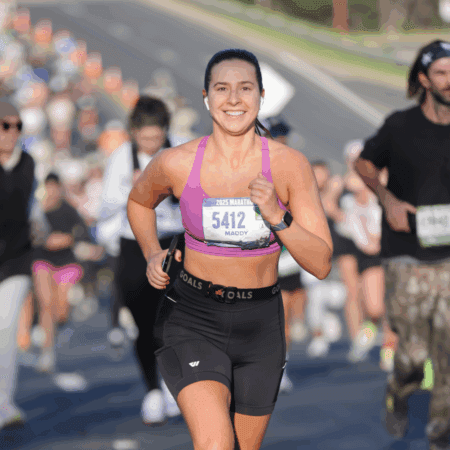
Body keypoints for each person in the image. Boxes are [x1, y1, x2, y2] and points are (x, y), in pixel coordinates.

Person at [127, 49, 332, 450]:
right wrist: (152, 251)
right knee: (216, 444)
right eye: (222, 89)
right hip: (193, 317)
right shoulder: (177, 163)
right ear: (206, 97)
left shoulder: (290, 166)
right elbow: (138, 202)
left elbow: (321, 262)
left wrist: (277, 215)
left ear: (261, 96)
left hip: (261, 325)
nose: (234, 99)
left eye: (245, 89)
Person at [355, 40, 450, 450]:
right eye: (443, 72)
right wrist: (387, 198)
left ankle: (440, 431)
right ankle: (399, 388)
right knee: (412, 353)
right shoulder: (400, 126)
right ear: (425, 80)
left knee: (448, 350)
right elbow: (364, 162)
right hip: (407, 253)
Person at [98, 96, 183, 425]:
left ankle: (173, 385)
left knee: (176, 316)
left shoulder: (180, 154)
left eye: (156, 136)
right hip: (134, 243)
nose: (150, 143)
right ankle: (151, 388)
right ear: (133, 133)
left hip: (173, 240)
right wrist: (136, 190)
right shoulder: (121, 158)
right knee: (144, 319)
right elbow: (106, 205)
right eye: (144, 137)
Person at [31, 172, 95, 373]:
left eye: (54, 187)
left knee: (60, 309)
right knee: (46, 304)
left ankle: (59, 327)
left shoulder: (69, 210)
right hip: (42, 260)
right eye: (48, 187)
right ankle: (46, 352)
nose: (51, 191)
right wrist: (43, 240)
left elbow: (81, 234)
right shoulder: (37, 210)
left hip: (66, 263)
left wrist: (65, 240)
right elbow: (29, 234)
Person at [0, 101, 36, 430]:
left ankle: (4, 402)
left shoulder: (26, 163)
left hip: (15, 258)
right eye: (4, 125)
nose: (11, 132)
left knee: (7, 329)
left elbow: (18, 200)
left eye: (16, 126)